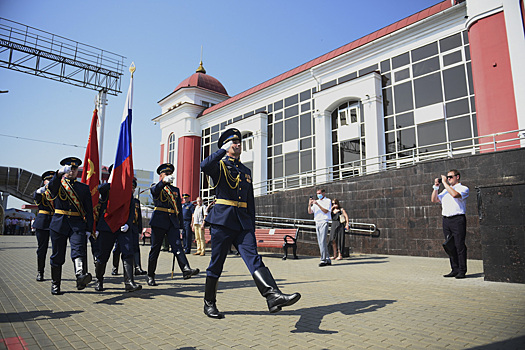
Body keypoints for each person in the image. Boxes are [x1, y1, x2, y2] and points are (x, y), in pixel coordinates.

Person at [201, 128, 301, 319]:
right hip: (222, 221)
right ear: (226, 145)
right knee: (217, 263)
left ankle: (273, 296)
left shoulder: (245, 171)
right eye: (233, 142)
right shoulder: (219, 166)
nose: (237, 144)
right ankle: (209, 303)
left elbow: (250, 201)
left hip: (242, 223)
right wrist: (221, 150)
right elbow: (204, 166)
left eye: (239, 141)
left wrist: (251, 225)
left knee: (254, 258)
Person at [46, 157, 93, 295]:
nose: (72, 171)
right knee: (58, 255)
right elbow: (51, 189)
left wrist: (89, 229)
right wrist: (58, 173)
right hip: (59, 223)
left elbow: (89, 210)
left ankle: (80, 276)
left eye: (75, 168)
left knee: (78, 250)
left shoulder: (83, 188)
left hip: (77, 224)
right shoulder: (58, 183)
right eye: (70, 168)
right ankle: (56, 284)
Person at [147, 163, 199, 286]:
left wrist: (180, 226)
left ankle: (186, 269)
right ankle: (150, 275)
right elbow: (155, 191)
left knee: (177, 247)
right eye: (166, 174)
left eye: (170, 174)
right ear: (161, 175)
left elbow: (179, 209)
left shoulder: (175, 190)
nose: (169, 176)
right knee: (155, 249)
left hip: (172, 222)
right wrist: (163, 182)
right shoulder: (156, 187)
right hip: (159, 221)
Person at [93, 172, 142, 292]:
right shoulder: (108, 190)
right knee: (103, 255)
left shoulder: (127, 193)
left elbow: (131, 212)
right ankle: (99, 280)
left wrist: (128, 224)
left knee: (128, 253)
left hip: (122, 227)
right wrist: (111, 183)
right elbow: (100, 189)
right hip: (107, 227)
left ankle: (129, 282)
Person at [431, 169, 469, 279]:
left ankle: (462, 270)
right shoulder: (445, 191)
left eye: (450, 177)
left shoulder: (463, 188)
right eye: (447, 177)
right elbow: (434, 200)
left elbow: (455, 195)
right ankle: (454, 269)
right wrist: (436, 187)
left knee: (459, 245)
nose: (448, 179)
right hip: (446, 220)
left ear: (457, 177)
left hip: (458, 219)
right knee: (450, 245)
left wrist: (445, 183)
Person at [33, 170, 55, 282]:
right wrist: (43, 189)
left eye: (52, 180)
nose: (50, 182)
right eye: (48, 180)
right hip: (42, 223)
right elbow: (36, 196)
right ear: (44, 181)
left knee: (57, 249)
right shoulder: (40, 192)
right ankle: (40, 272)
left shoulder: (57, 192)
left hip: (55, 222)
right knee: (42, 249)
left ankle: (55, 275)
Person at [308, 189, 332, 267]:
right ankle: (328, 258)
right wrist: (309, 204)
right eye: (317, 193)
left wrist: (318, 204)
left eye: (319, 193)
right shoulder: (316, 202)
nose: (318, 195)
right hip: (317, 222)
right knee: (321, 242)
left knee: (322, 241)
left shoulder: (327, 201)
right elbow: (310, 212)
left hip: (324, 221)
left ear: (323, 193)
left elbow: (326, 211)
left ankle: (323, 259)